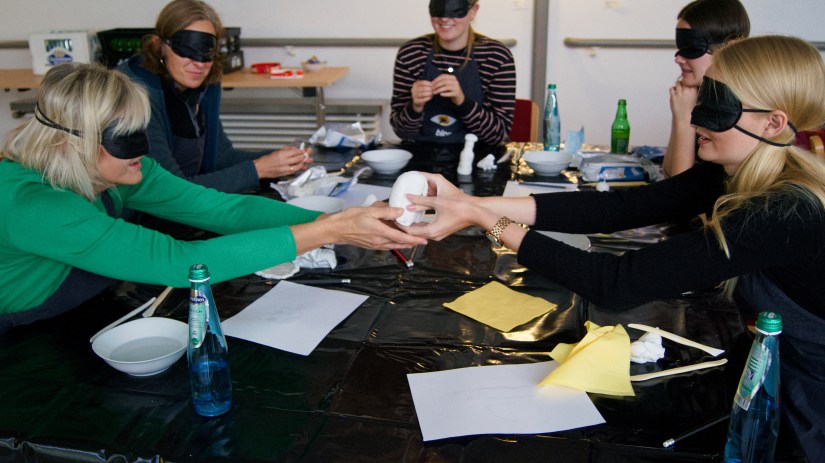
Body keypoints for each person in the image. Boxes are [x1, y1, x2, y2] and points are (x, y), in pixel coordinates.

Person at [404, 36, 825, 460]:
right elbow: (618, 207)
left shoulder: (784, 211)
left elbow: (616, 283)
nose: (696, 119)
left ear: (772, 123)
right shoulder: (737, 172)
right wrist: (471, 202)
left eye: (716, 106)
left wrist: (487, 221)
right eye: (702, 97)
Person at [0, 63, 425, 332]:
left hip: (80, 306)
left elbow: (224, 207)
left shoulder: (120, 168)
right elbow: (178, 262)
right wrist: (331, 230)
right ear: (71, 144)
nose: (144, 151)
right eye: (125, 138)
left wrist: (332, 221)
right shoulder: (36, 205)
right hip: (24, 329)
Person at [117, 0, 311, 194]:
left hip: (192, 204)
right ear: (159, 46)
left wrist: (280, 161)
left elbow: (221, 157)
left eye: (206, 53)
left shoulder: (203, 87)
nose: (199, 64)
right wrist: (258, 169)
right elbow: (170, 191)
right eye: (187, 50)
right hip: (145, 213)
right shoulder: (133, 96)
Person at [389, 0, 516, 146]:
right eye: (438, 8)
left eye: (456, 9)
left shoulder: (495, 56)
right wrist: (415, 107)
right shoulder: (411, 53)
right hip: (422, 160)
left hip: (480, 159)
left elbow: (498, 135)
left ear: (473, 11)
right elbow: (402, 132)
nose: (444, 18)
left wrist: (462, 101)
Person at [662, 0, 749, 178]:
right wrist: (679, 115)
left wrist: (685, 118)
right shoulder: (700, 95)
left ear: (729, 48)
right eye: (680, 48)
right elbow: (668, 175)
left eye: (692, 49)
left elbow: (679, 196)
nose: (678, 58)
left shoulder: (735, 111)